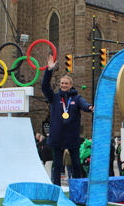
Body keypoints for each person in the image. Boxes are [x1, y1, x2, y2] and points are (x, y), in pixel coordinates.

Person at [42, 55, 94, 186]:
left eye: (66, 83)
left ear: (71, 85)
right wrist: (49, 70)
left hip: (72, 137)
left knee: (76, 163)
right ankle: (57, 188)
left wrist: (90, 107)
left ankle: (77, 188)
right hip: (57, 137)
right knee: (58, 164)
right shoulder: (54, 97)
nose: (64, 85)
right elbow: (44, 87)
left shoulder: (76, 98)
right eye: (62, 83)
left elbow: (84, 105)